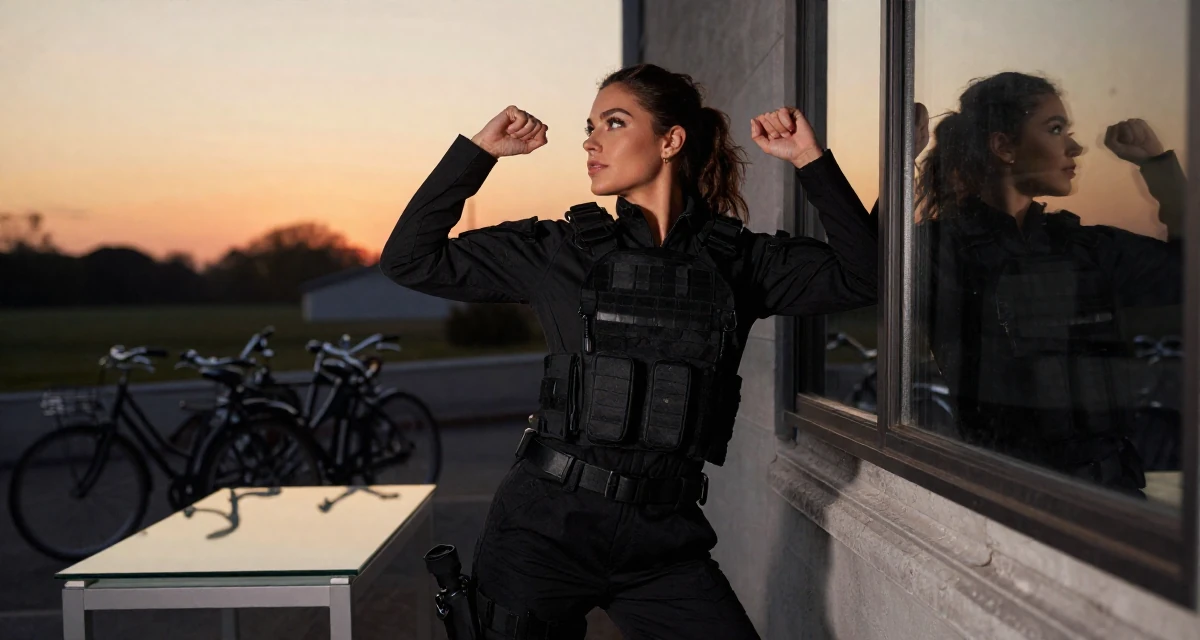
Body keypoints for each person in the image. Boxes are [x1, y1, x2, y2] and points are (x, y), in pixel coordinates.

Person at [382, 63, 876, 639]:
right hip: (542, 532)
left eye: (614, 123)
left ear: (670, 140)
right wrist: (479, 152)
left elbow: (865, 278)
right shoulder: (558, 251)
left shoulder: (739, 261)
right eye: (590, 127)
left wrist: (811, 160)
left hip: (662, 542)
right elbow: (410, 260)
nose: (591, 141)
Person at [914, 71, 1185, 493]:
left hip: (1111, 497)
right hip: (1007, 499)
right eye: (1055, 129)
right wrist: (898, 164)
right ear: (1004, 146)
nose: (1074, 147)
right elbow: (863, 274)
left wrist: (1158, 166)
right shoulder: (939, 251)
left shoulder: (1086, 248)